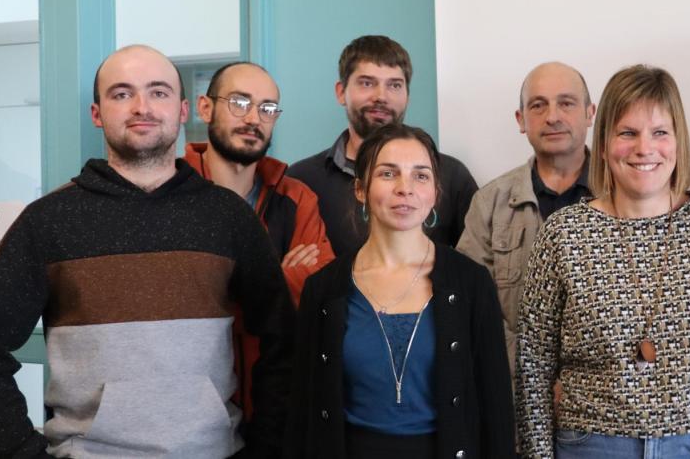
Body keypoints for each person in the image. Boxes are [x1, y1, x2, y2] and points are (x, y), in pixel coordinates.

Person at [0, 45, 293, 458]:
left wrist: (266, 448)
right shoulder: (48, 221)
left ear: (183, 109)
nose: (143, 107)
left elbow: (284, 340)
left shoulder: (227, 217)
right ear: (97, 113)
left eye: (159, 92)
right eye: (122, 94)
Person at [517, 65, 690, 458]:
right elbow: (532, 364)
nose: (644, 148)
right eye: (627, 133)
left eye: (659, 133)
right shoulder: (564, 233)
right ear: (603, 143)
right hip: (589, 447)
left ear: (678, 140)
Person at [284, 125, 514, 458]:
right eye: (388, 174)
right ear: (361, 189)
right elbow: (302, 411)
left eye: (420, 176)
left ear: (435, 191)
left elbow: (496, 411)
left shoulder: (471, 284)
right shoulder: (323, 289)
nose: (405, 188)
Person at [183, 61, 335, 422]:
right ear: (206, 107)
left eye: (267, 108)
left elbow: (323, 293)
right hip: (191, 413)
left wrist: (230, 287)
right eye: (239, 102)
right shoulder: (171, 194)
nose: (254, 118)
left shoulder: (297, 197)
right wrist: (277, 278)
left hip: (275, 407)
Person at [457, 61, 595, 372]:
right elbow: (471, 304)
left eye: (566, 103)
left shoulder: (623, 196)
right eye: (538, 105)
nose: (553, 116)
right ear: (521, 119)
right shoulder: (489, 203)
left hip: (601, 398)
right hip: (514, 391)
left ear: (590, 113)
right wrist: (532, 370)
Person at [288, 35, 478, 256]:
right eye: (367, 83)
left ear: (407, 95)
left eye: (394, 85)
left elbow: (474, 267)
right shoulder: (301, 180)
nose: (381, 96)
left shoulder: (451, 175)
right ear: (341, 92)